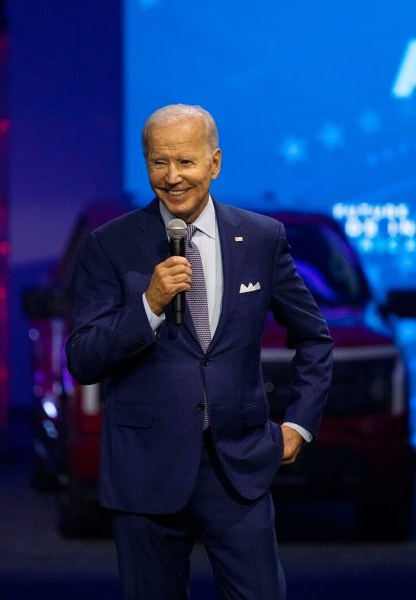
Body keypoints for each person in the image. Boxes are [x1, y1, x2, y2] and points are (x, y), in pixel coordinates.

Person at [66, 104, 333, 599]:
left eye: (185, 162)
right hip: (145, 472)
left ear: (214, 163)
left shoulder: (261, 237)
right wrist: (148, 304)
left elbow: (314, 337)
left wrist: (299, 425)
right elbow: (83, 359)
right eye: (158, 163)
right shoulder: (111, 244)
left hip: (239, 467)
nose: (172, 178)